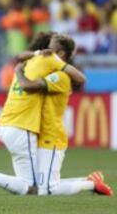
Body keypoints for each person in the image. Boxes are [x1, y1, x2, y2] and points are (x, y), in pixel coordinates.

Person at [0, 32, 85, 195]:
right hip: (22, 128)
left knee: (39, 184)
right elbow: (80, 78)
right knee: (33, 187)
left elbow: (18, 56)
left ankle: (88, 182)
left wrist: (21, 67)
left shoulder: (29, 63)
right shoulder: (50, 62)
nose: (48, 51)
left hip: (5, 125)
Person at [13, 34, 113, 196]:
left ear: (61, 54)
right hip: (42, 132)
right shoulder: (50, 68)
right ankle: (89, 180)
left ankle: (90, 184)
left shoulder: (60, 76)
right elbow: (18, 56)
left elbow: (28, 85)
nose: (48, 49)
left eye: (51, 47)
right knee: (43, 185)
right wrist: (37, 54)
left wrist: (18, 72)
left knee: (47, 190)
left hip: (52, 134)